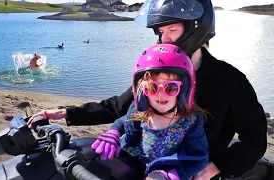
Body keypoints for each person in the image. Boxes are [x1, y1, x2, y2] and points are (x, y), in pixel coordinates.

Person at [27, 0, 268, 179]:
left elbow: (255, 139)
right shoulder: (158, 70)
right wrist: (67, 113)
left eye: (172, 30)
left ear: (197, 27)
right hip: (143, 167)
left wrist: (216, 167)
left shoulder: (230, 80)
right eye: (161, 32)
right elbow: (119, 107)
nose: (165, 39)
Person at [91, 43, 209, 180]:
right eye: (152, 88)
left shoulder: (189, 121)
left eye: (171, 87)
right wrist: (114, 132)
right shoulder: (142, 111)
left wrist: (174, 175)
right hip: (131, 164)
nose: (160, 94)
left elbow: (199, 158)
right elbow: (123, 121)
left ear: (184, 90)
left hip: (163, 173)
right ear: (142, 92)